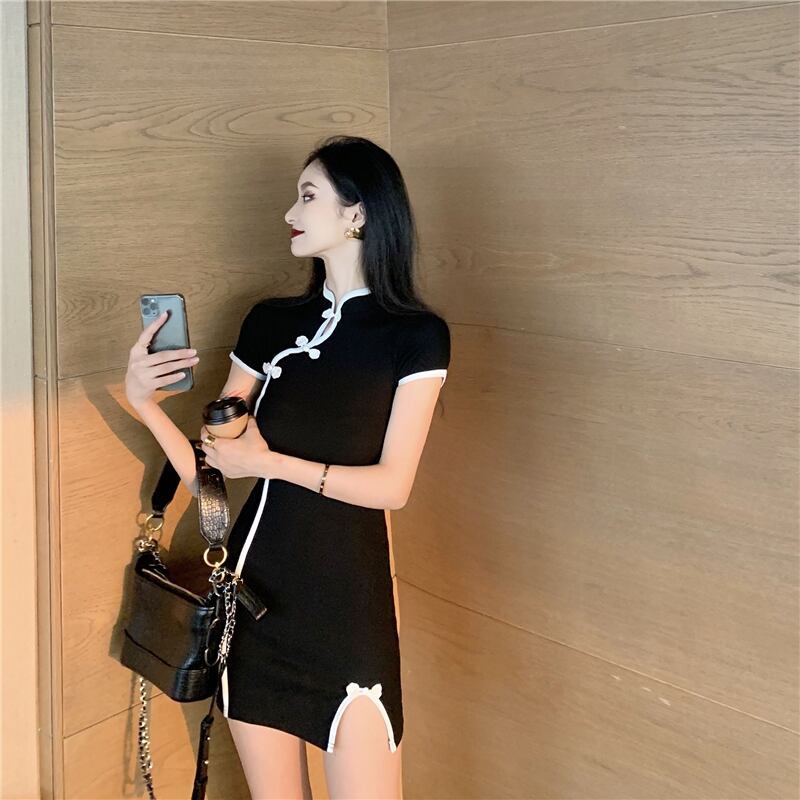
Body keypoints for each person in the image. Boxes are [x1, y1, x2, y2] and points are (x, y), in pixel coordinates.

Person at [125, 135, 451, 799]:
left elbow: (393, 487)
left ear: (357, 212)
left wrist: (269, 461)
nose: (289, 213)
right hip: (255, 604)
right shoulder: (270, 324)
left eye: (307, 196)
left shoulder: (415, 336)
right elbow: (212, 479)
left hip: (349, 609)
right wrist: (144, 405)